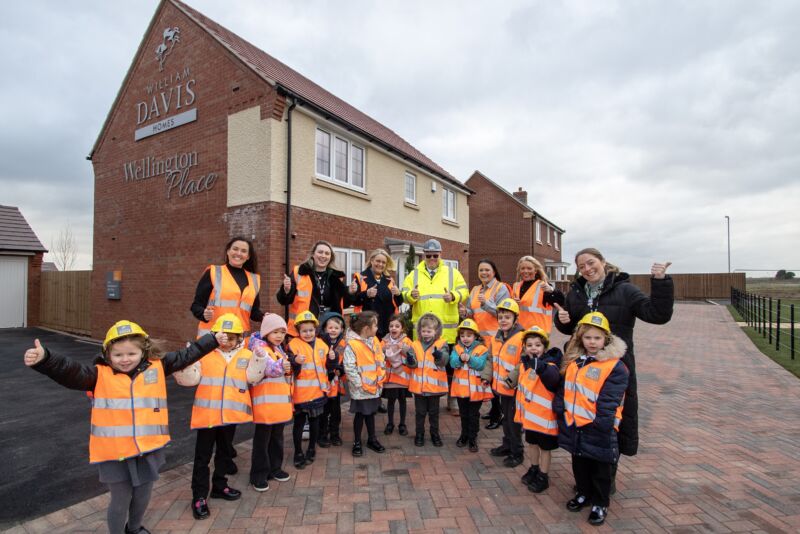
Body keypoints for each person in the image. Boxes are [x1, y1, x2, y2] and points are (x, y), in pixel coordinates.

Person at [24, 320, 224, 533]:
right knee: (120, 500)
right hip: (115, 454)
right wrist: (45, 359)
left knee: (142, 495)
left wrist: (212, 339)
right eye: (118, 355)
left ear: (144, 351)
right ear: (107, 354)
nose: (125, 359)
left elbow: (187, 355)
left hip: (148, 449)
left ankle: (135, 528)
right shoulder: (97, 375)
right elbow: (70, 372)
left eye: (131, 354)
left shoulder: (158, 365)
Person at [553, 248, 673, 459]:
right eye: (582, 267)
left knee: (610, 421)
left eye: (591, 263)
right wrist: (562, 320)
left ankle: (605, 481)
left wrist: (660, 281)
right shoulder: (577, 294)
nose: (587, 269)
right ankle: (584, 478)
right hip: (582, 369)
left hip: (613, 370)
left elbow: (657, 314)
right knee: (582, 417)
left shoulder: (625, 291)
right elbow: (572, 328)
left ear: (603, 261)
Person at [173, 313, 253, 520]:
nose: (227, 342)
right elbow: (189, 380)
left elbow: (255, 376)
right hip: (207, 416)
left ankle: (219, 486)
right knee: (202, 458)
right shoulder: (203, 354)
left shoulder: (246, 355)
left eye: (232, 338)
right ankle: (199, 496)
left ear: (239, 337)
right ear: (215, 336)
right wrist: (188, 359)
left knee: (225, 454)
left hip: (230, 416)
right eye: (223, 337)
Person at [553, 312, 628, 526]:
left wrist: (602, 424)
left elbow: (610, 399)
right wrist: (560, 408)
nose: (592, 342)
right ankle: (583, 493)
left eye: (597, 338)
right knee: (580, 463)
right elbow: (565, 389)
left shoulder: (615, 366)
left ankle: (600, 503)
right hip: (575, 424)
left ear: (606, 339)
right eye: (588, 338)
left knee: (600, 469)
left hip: (599, 427)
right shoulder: (575, 362)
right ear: (580, 339)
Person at [401, 238, 468, 415]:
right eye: (428, 255)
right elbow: (404, 294)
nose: (432, 258)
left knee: (449, 366)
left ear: (440, 255)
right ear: (424, 255)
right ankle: (426, 396)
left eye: (435, 255)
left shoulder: (452, 273)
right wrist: (411, 295)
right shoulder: (414, 273)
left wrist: (454, 296)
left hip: (447, 331)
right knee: (425, 366)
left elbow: (464, 291)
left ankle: (451, 400)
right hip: (423, 333)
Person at [508, 326, 562, 494]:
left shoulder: (549, 365)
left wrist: (541, 368)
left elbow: (553, 380)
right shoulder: (525, 365)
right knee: (532, 444)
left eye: (538, 345)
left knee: (545, 449)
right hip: (530, 418)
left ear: (544, 348)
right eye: (529, 345)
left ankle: (543, 476)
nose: (533, 348)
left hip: (545, 419)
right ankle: (534, 468)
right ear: (524, 347)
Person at [459, 258, 510, 429]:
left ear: (494, 271)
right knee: (484, 376)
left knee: (494, 377)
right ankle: (494, 410)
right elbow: (471, 314)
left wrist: (486, 304)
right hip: (479, 341)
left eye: (487, 270)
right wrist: (464, 312)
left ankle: (498, 413)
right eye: (481, 270)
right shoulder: (474, 290)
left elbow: (504, 314)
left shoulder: (500, 288)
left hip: (495, 340)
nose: (484, 273)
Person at [246, 313, 293, 492]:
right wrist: (283, 366)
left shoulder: (278, 348)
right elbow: (270, 369)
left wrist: (287, 368)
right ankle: (258, 474)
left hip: (278, 405)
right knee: (262, 442)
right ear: (266, 332)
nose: (280, 335)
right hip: (265, 404)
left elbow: (281, 371)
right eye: (275, 331)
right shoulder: (260, 349)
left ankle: (275, 468)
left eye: (282, 331)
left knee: (277, 439)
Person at [481, 298, 525, 467]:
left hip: (514, 389)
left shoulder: (522, 338)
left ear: (515, 319)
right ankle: (507, 445)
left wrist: (510, 380)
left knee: (514, 422)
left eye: (507, 317)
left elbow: (524, 362)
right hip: (501, 389)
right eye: (500, 317)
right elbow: (491, 359)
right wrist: (487, 376)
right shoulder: (496, 338)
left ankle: (517, 451)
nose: (503, 320)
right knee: (506, 419)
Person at [192, 237, 263, 337]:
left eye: (243, 251)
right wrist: (204, 313)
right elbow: (196, 305)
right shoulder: (214, 272)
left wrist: (265, 317)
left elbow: (254, 312)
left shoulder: (254, 280)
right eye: (235, 249)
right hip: (213, 337)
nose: (238, 253)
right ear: (228, 251)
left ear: (248, 256)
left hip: (238, 339)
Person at [286, 311, 330, 469]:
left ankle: (312, 448)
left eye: (311, 330)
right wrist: (295, 361)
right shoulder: (292, 346)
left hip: (317, 393)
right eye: (304, 331)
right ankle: (298, 452)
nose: (308, 333)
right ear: (298, 331)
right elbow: (289, 368)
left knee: (314, 423)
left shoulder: (322, 345)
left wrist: (332, 359)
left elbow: (328, 367)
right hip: (300, 395)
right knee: (298, 424)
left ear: (316, 330)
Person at [277, 241, 348, 337]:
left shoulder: (336, 277)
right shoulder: (299, 272)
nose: (323, 256)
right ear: (313, 254)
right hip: (304, 326)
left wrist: (351, 292)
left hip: (328, 327)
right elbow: (284, 300)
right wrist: (286, 290)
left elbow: (344, 304)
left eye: (327, 253)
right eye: (320, 252)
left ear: (331, 257)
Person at [343, 311, 388, 456]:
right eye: (375, 325)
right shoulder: (352, 345)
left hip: (374, 386)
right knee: (361, 415)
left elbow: (380, 359)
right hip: (361, 389)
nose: (377, 328)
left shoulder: (374, 340)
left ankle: (372, 439)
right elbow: (350, 367)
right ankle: (357, 442)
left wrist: (381, 377)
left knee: (371, 414)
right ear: (366, 328)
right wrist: (360, 385)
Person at [448, 319, 493, 452]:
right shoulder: (456, 349)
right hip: (461, 391)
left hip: (476, 391)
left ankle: (473, 438)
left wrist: (470, 359)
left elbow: (480, 364)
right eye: (462, 335)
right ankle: (464, 436)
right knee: (464, 414)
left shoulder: (482, 349)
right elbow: (452, 363)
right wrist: (460, 359)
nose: (465, 338)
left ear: (475, 336)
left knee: (473, 415)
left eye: (469, 335)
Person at [407, 313, 448, 447]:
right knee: (420, 413)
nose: (426, 334)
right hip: (419, 388)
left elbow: (444, 362)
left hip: (434, 388)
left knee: (434, 413)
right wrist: (410, 360)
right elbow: (412, 365)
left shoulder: (442, 344)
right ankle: (419, 434)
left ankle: (434, 434)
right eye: (423, 331)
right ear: (419, 331)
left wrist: (439, 356)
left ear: (436, 331)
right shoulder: (415, 344)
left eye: (429, 331)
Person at [349, 248, 404, 339]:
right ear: (371, 260)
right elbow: (353, 301)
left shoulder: (389, 280)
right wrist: (366, 294)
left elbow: (398, 303)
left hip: (387, 328)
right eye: (378, 261)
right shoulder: (360, 277)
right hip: (368, 327)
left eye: (383, 262)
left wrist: (398, 294)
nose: (380, 264)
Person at [380, 313, 414, 436]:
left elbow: (412, 356)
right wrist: (383, 349)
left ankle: (402, 424)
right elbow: (378, 356)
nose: (393, 328)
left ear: (402, 328)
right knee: (390, 402)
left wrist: (404, 348)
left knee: (402, 401)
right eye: (391, 326)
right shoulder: (384, 341)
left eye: (397, 326)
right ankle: (390, 423)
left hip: (403, 378)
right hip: (390, 379)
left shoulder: (407, 341)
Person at [318, 312, 347, 448]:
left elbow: (347, 361)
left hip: (336, 384)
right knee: (324, 412)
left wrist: (341, 370)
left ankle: (335, 434)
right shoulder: (320, 343)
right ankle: (323, 434)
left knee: (336, 412)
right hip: (323, 384)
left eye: (336, 328)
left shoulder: (344, 344)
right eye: (330, 328)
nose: (333, 330)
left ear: (341, 330)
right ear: (324, 329)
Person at [512, 256, 563, 332]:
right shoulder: (516, 286)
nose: (525, 271)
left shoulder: (543, 286)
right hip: (519, 333)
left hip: (538, 335)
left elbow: (561, 301)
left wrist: (552, 290)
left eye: (529, 268)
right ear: (519, 270)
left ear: (535, 271)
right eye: (522, 268)